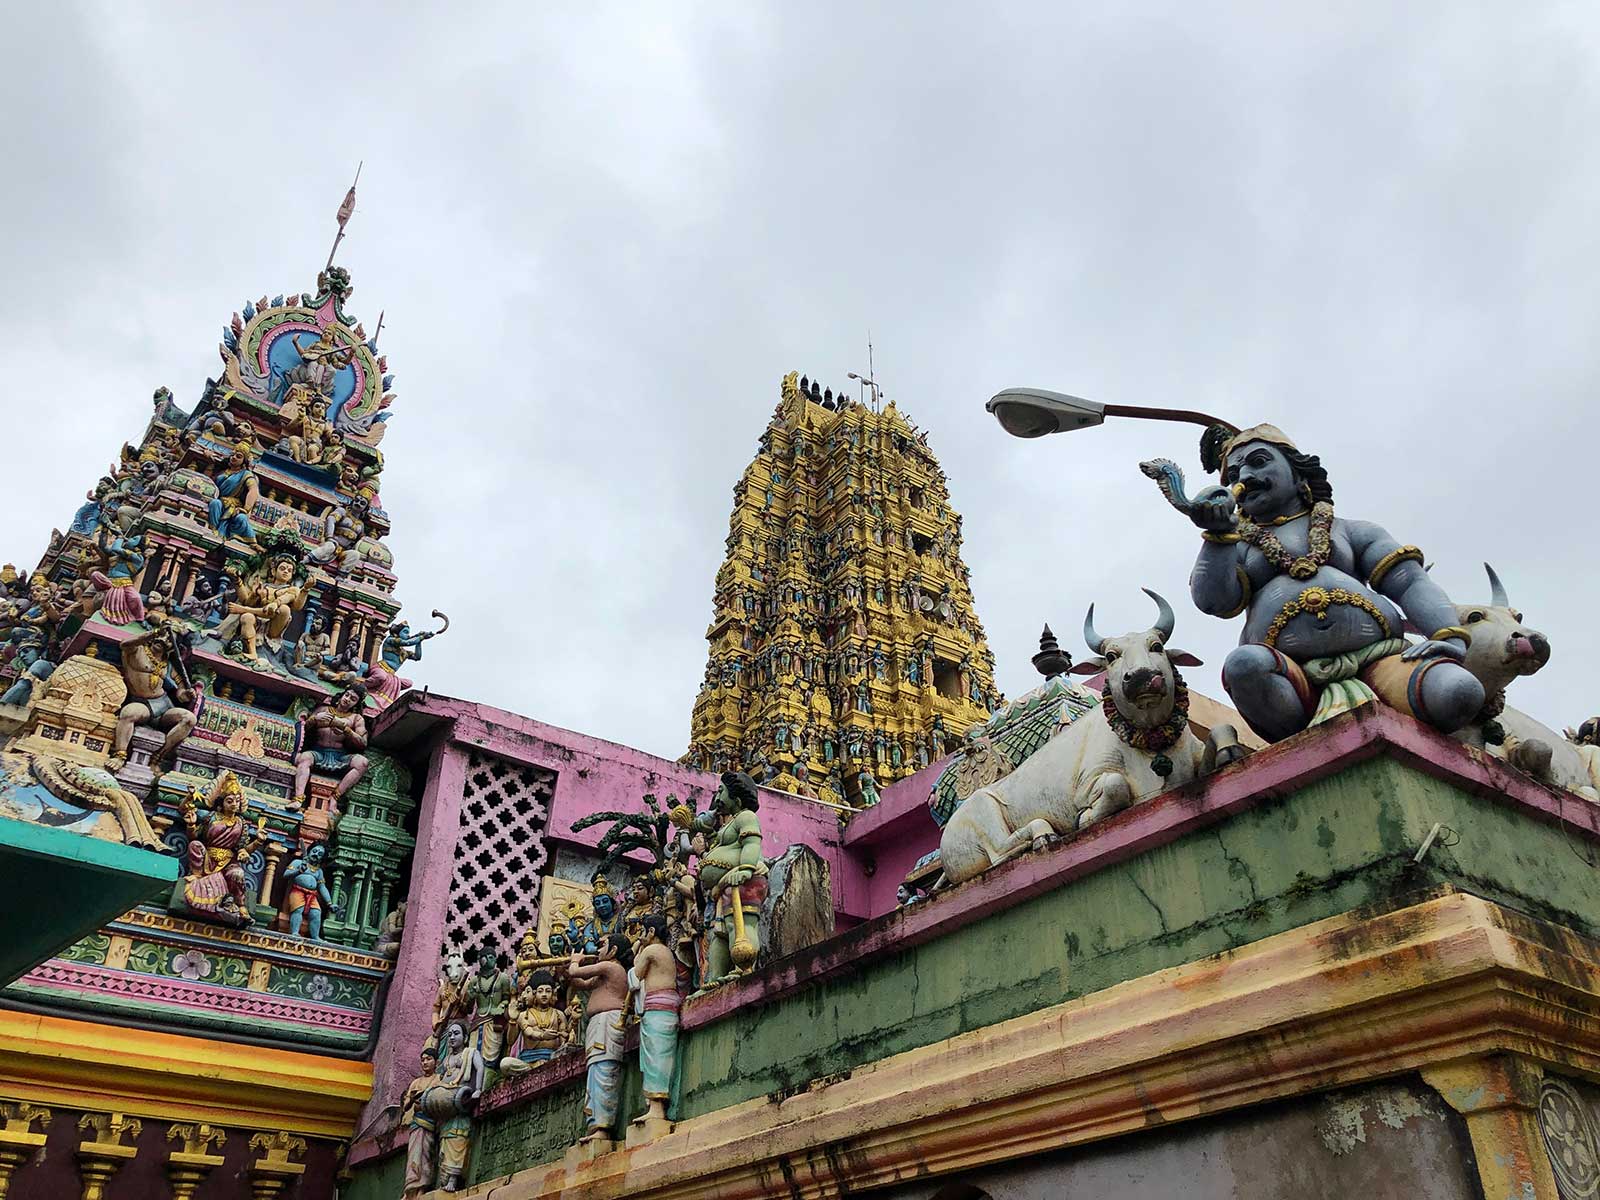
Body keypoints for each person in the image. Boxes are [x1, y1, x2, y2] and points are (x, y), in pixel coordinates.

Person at [1181, 424, 1484, 742]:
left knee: (1460, 691)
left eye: (1258, 462)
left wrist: (1449, 637)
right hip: (1293, 678)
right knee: (1244, 665)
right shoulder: (1238, 546)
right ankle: (1309, 746)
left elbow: (1408, 582)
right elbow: (1213, 601)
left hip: (1384, 661)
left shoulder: (1349, 531)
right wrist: (1218, 538)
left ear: (1299, 474)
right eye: (1233, 475)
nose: (1244, 478)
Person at [567, 933, 632, 1146]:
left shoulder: (612, 968)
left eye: (602, 945)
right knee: (595, 1073)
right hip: (598, 1024)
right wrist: (568, 968)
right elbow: (579, 981)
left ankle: (603, 1128)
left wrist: (575, 962)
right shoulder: (603, 973)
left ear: (613, 951)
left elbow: (576, 971)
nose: (598, 949)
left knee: (604, 1072)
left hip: (607, 1023)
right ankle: (596, 1125)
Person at [628, 916, 681, 1128]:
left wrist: (639, 945)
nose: (639, 935)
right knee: (658, 1056)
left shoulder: (652, 951)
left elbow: (634, 975)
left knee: (655, 1057)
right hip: (665, 1006)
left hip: (658, 1008)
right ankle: (654, 1106)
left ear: (651, 932)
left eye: (642, 931)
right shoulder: (666, 952)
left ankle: (656, 1109)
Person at [291, 685, 370, 807]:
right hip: (318, 752)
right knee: (305, 758)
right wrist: (315, 719)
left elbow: (362, 743)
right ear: (342, 695)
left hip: (339, 756)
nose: (348, 699)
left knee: (362, 763)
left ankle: (335, 797)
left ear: (356, 704)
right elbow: (304, 728)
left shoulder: (356, 718)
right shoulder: (323, 709)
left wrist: (346, 730)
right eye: (347, 695)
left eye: (353, 699)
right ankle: (298, 799)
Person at [499, 971, 568, 1074]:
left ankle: (541, 1068)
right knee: (505, 1064)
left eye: (548, 991)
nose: (544, 995)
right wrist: (513, 1020)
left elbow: (564, 1042)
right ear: (534, 993)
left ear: (553, 993)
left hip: (552, 1058)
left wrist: (574, 1023)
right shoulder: (524, 1015)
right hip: (527, 1060)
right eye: (540, 991)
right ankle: (534, 1069)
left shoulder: (559, 1014)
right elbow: (510, 1041)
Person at [400, 1044, 443, 1198]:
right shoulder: (416, 1083)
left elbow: (440, 1099)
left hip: (430, 1123)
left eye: (429, 1059)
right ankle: (410, 1190)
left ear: (436, 1062)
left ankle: (421, 1188)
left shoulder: (439, 1079)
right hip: (417, 1123)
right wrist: (411, 1098)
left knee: (426, 1156)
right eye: (423, 1060)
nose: (425, 1062)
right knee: (414, 1156)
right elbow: (406, 1107)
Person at [280, 843, 341, 940]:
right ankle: (295, 932)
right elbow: (286, 874)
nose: (316, 854)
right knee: (297, 910)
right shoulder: (298, 863)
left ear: (321, 859)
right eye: (315, 851)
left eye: (320, 854)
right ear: (309, 851)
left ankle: (315, 936)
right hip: (298, 891)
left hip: (312, 895)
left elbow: (322, 887)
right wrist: (298, 871)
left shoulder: (319, 871)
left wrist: (330, 904)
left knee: (316, 913)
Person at [206, 441, 260, 546]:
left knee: (240, 518)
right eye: (232, 455)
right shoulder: (222, 471)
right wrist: (210, 460)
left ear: (244, 461)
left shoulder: (245, 474)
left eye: (238, 456)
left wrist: (246, 508)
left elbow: (253, 490)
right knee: (215, 503)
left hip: (232, 505)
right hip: (218, 501)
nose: (234, 457)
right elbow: (208, 482)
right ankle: (213, 530)